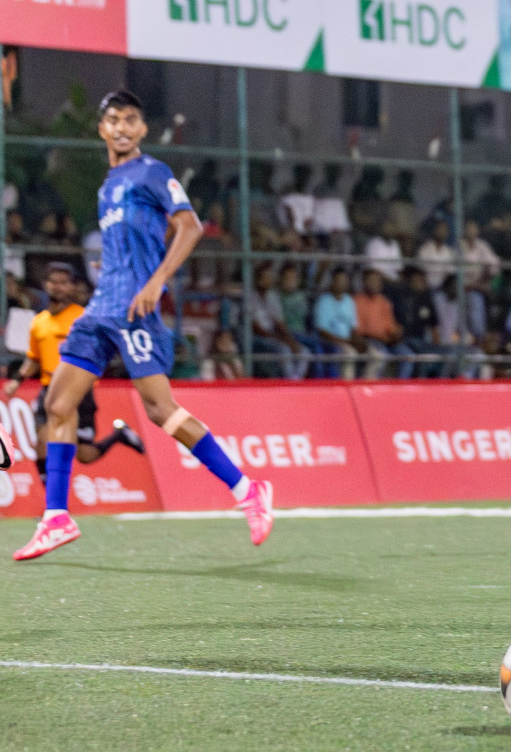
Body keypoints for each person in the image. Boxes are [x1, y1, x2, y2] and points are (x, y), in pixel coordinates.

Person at [10, 90, 274, 561]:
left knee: (160, 410)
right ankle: (56, 517)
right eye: (114, 119)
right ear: (102, 128)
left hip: (135, 309)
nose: (123, 127)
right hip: (100, 310)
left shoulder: (152, 172)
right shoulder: (107, 186)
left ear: (143, 129)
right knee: (57, 402)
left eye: (132, 119)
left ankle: (248, 490)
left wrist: (156, 283)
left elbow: (189, 226)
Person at [4, 263, 147, 478]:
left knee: (84, 455)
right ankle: (51, 507)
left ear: (73, 287)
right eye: (53, 281)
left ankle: (119, 435)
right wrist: (17, 380)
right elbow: (34, 358)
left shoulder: (83, 319)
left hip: (79, 391)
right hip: (48, 389)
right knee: (43, 442)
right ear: (45, 285)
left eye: (63, 282)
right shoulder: (38, 322)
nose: (57, 287)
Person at [250, 264, 310, 380]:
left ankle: (296, 380)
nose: (269, 280)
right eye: (265, 277)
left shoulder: (272, 296)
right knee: (284, 349)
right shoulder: (251, 297)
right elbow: (257, 328)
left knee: (303, 351)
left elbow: (279, 323)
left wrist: (291, 341)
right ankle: (290, 381)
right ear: (258, 280)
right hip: (258, 338)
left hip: (274, 334)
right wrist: (280, 339)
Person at [354, 269, 412, 378]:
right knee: (382, 355)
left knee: (408, 355)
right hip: (368, 340)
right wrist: (382, 338)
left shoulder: (384, 301)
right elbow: (360, 332)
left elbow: (390, 326)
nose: (375, 283)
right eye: (372, 280)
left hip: (387, 340)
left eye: (377, 281)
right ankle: (373, 388)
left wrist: (397, 332)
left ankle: (400, 388)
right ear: (364, 282)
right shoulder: (358, 301)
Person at [313, 268, 360, 380]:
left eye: (344, 280)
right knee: (350, 353)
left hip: (348, 341)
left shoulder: (349, 301)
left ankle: (368, 391)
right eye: (338, 280)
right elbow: (322, 331)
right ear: (332, 281)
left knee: (377, 355)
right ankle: (348, 388)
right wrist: (344, 342)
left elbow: (353, 327)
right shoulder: (324, 301)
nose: (341, 283)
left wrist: (357, 341)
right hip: (331, 342)